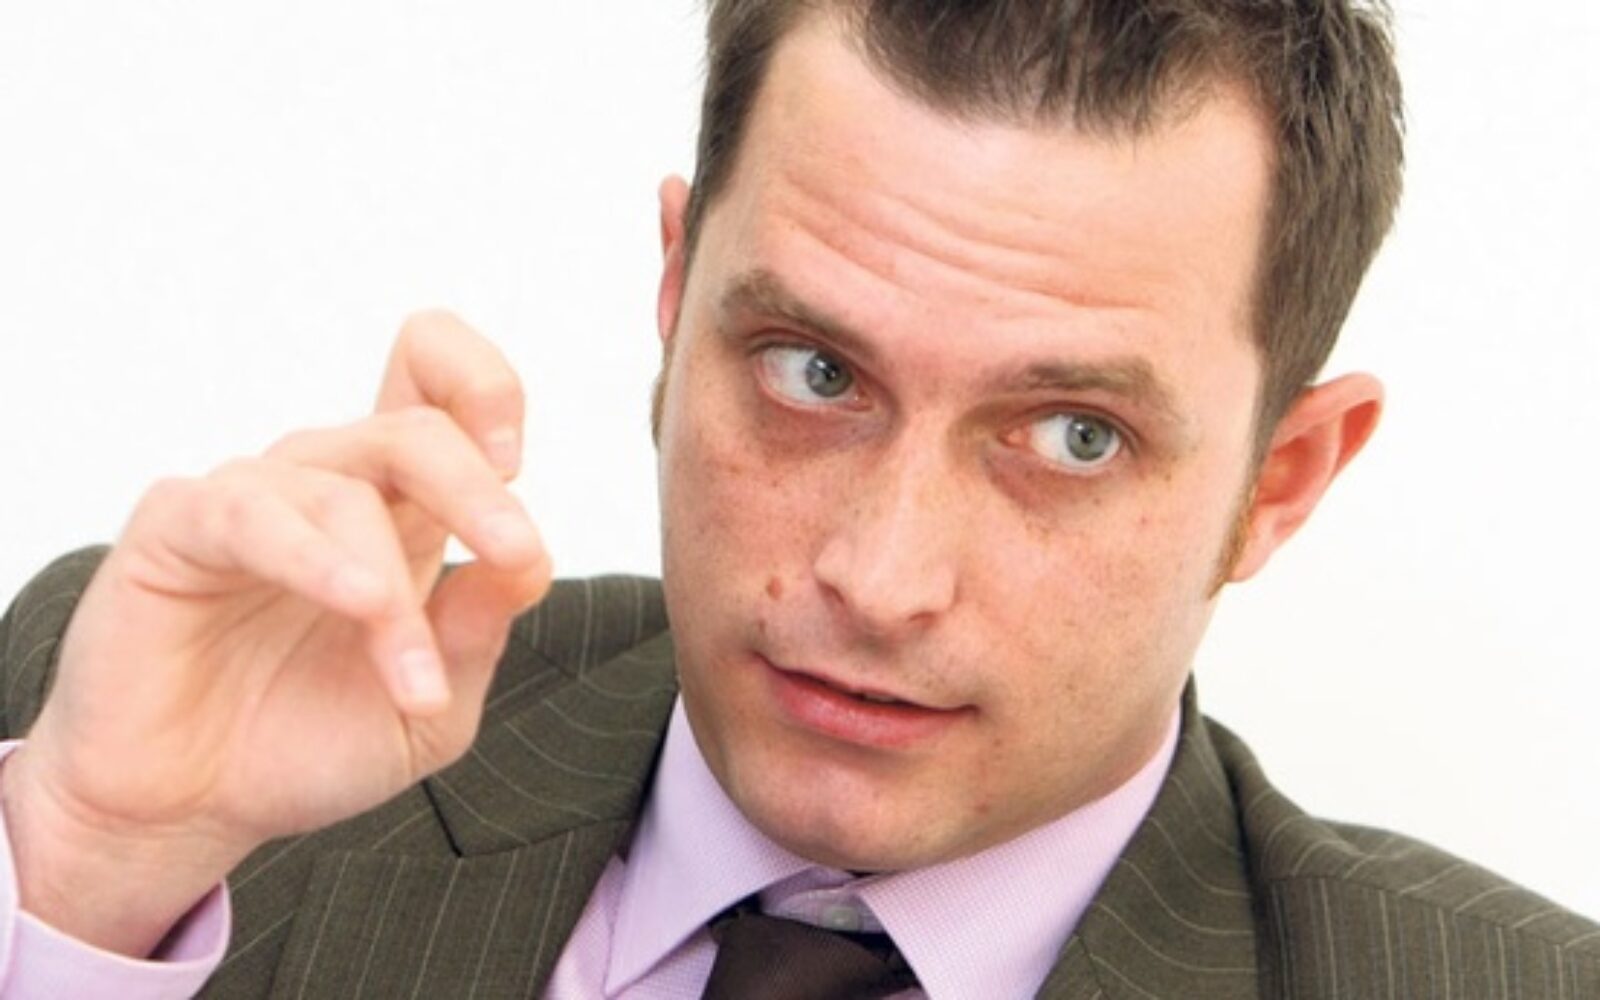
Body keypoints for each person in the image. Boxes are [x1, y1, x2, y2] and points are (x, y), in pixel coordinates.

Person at [0, 1, 1595, 998]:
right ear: (676, 293)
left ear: (1280, 481)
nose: (880, 580)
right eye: (814, 372)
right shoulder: (138, 753)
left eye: (1073, 438)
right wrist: (82, 884)